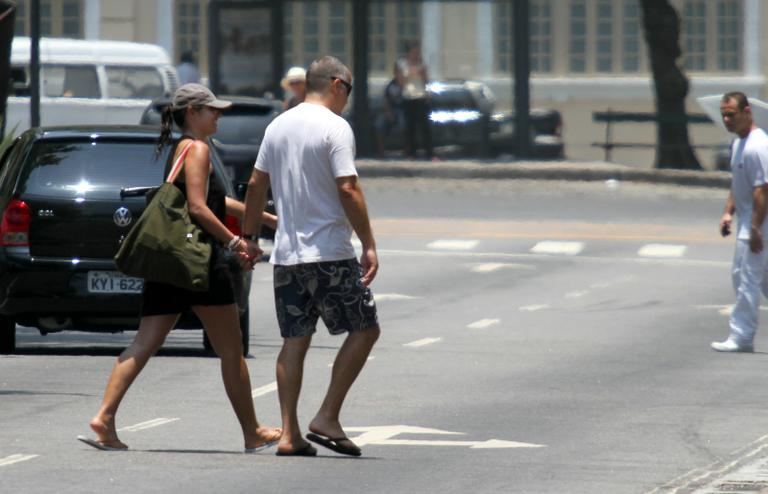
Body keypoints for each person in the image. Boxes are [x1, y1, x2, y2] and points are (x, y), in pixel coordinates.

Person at [79, 83, 280, 452]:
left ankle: (104, 418)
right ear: (192, 113)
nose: (218, 115)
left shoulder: (181, 148)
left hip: (170, 263)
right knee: (232, 351)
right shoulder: (199, 149)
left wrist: (266, 219)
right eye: (212, 110)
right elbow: (200, 209)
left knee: (143, 343)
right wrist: (234, 242)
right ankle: (253, 432)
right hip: (199, 264)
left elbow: (212, 201)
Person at [241, 56, 380, 457]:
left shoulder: (278, 125)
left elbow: (255, 184)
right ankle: (327, 416)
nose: (347, 101)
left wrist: (249, 237)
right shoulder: (335, 127)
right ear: (337, 84)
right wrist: (368, 242)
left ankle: (289, 433)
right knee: (366, 329)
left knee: (295, 341)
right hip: (329, 253)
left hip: (288, 255)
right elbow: (348, 187)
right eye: (348, 91)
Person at [712, 91, 768, 353]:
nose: (726, 119)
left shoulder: (758, 146)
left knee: (746, 279)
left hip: (759, 226)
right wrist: (727, 213)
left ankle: (742, 335)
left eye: (731, 114)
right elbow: (738, 185)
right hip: (749, 223)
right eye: (723, 114)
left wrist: (756, 228)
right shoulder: (738, 145)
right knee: (758, 279)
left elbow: (763, 191)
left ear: (747, 112)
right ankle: (742, 333)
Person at [396, 42, 434, 160]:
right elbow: (400, 82)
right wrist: (408, 74)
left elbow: (426, 81)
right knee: (409, 126)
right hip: (408, 96)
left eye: (416, 52)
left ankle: (429, 153)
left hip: (421, 96)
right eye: (413, 52)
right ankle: (411, 153)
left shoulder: (422, 65)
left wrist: (422, 74)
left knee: (424, 126)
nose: (415, 55)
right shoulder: (402, 65)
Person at [374, 63, 405, 156]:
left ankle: (406, 151)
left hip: (403, 110)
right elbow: (386, 101)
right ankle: (381, 151)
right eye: (397, 72)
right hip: (391, 110)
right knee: (379, 125)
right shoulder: (391, 85)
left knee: (404, 124)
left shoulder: (407, 85)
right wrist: (389, 114)